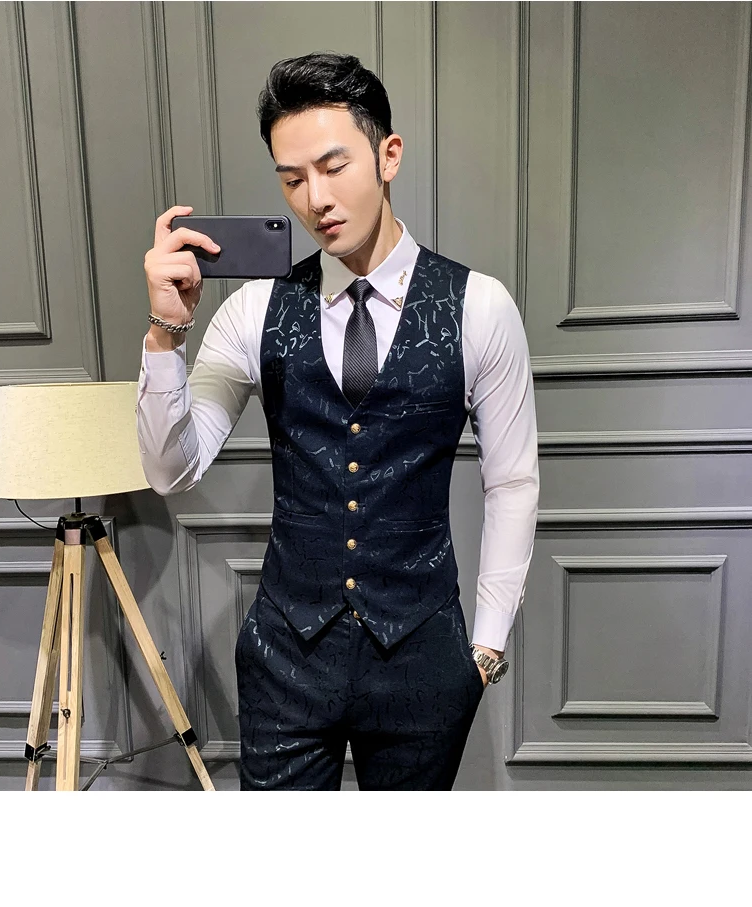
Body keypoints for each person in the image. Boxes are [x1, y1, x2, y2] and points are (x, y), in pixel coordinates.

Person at [137, 51, 539, 790]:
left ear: (389, 156)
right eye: (292, 179)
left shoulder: (480, 306)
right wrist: (166, 334)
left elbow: (512, 481)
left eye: (333, 166)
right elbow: (171, 470)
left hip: (423, 654)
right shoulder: (253, 310)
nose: (316, 198)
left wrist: (485, 646)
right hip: (286, 658)